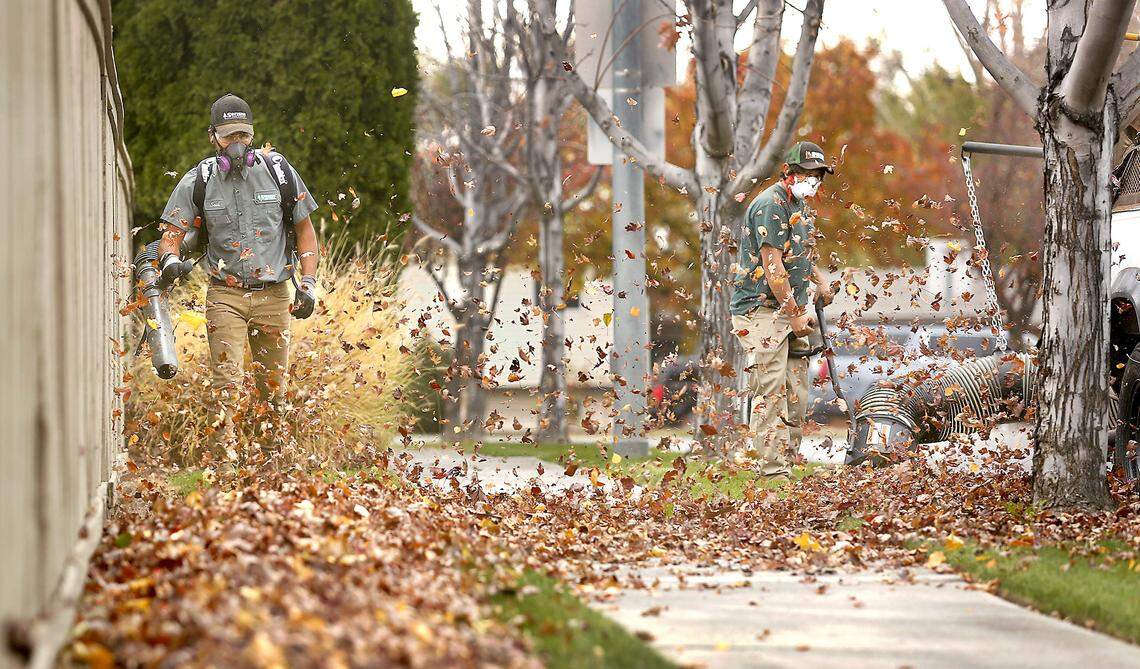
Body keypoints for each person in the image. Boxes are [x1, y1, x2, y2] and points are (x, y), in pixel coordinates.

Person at [156, 93, 320, 455]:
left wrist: (308, 284)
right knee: (226, 385)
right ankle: (225, 466)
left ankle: (270, 464)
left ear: (252, 135)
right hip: (225, 295)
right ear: (212, 136)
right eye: (229, 136)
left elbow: (306, 232)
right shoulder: (198, 180)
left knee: (272, 388)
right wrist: (170, 263)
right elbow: (171, 236)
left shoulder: (277, 171)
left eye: (243, 135)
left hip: (274, 294)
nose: (237, 144)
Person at [730, 141, 835, 477]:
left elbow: (802, 252)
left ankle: (787, 464)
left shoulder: (800, 207)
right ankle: (772, 470)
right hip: (760, 312)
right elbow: (773, 267)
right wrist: (793, 312)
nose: (813, 181)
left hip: (793, 309)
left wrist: (819, 281)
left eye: (818, 175)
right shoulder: (770, 205)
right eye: (807, 174)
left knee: (796, 394)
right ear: (789, 172)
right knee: (771, 390)